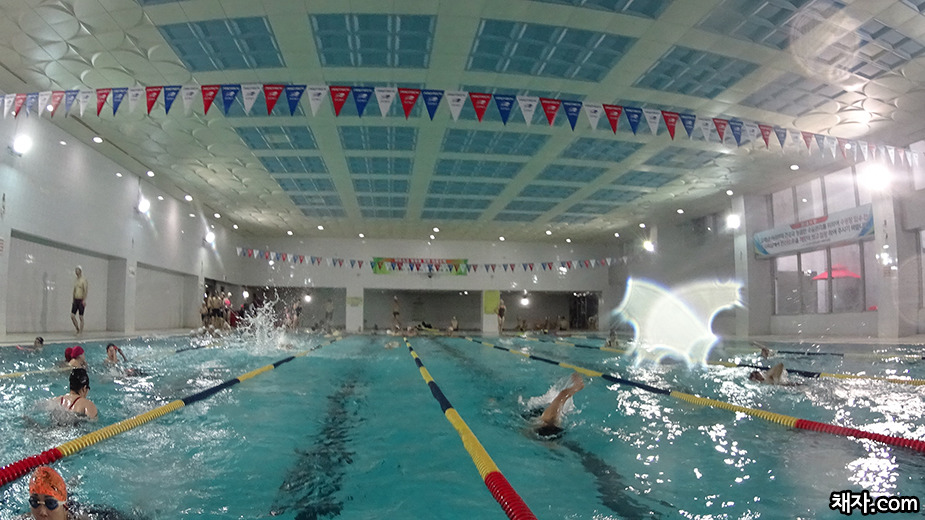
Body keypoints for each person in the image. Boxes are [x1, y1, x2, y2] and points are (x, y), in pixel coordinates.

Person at [532, 373, 584, 439]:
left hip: (539, 407)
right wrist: (577, 386)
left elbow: (563, 394)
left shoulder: (550, 418)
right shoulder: (551, 419)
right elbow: (563, 394)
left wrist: (576, 387)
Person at [71, 266, 88, 335]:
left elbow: (85, 290)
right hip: (75, 300)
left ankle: (80, 331)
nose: (76, 272)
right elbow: (74, 291)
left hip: (81, 300)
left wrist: (84, 300)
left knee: (81, 317)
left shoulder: (83, 280)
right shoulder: (76, 280)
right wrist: (73, 300)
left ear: (80, 271)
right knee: (72, 316)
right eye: (75, 270)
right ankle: (77, 329)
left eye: (77, 270)